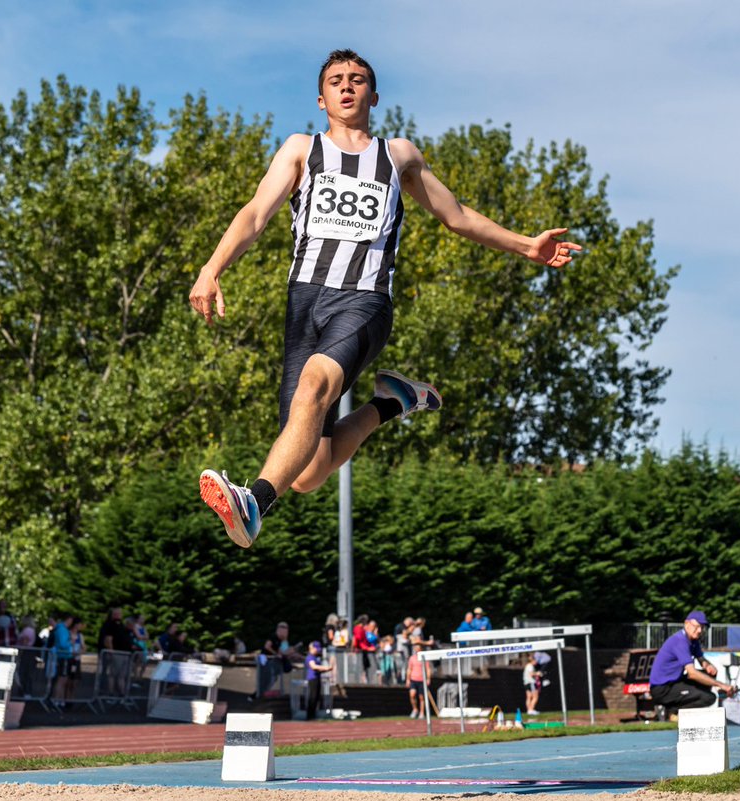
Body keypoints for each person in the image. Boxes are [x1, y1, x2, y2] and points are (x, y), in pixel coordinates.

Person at [193, 49, 580, 548]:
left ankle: (254, 502)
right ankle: (393, 402)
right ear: (321, 97)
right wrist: (212, 268)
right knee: (309, 472)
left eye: (357, 80)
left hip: (364, 300)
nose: (347, 86)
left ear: (374, 96)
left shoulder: (397, 156)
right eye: (336, 80)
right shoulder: (299, 150)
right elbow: (254, 215)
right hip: (303, 304)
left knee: (314, 385)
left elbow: (456, 214)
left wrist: (527, 244)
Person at [648, 610, 735, 717]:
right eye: (696, 626)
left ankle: (677, 711)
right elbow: (692, 673)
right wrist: (721, 685)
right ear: (686, 624)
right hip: (662, 688)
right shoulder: (680, 641)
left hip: (675, 681)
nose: (699, 630)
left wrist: (707, 665)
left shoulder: (693, 640)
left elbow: (701, 659)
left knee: (709, 676)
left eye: (702, 627)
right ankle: (672, 712)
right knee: (708, 698)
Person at [304, 640, 332, 720]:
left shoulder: (316, 657)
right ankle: (310, 716)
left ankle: (313, 715)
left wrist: (327, 669)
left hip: (317, 678)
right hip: (312, 679)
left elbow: (319, 669)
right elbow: (314, 667)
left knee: (316, 697)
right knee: (312, 697)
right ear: (311, 648)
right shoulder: (310, 657)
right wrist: (326, 668)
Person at [406, 640, 431, 719]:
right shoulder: (412, 658)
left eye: (418, 647)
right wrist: (408, 679)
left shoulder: (424, 658)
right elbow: (409, 669)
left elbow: (428, 669)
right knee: (412, 694)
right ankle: (415, 709)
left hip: (422, 680)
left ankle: (422, 712)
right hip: (413, 679)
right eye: (415, 647)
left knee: (421, 697)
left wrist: (428, 678)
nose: (416, 648)